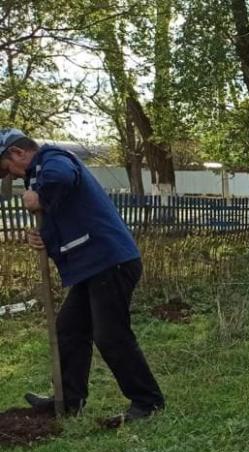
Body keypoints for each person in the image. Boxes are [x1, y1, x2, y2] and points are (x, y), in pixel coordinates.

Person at [0, 128, 165, 422]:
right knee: (69, 328)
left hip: (109, 260)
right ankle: (69, 400)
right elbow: (67, 215)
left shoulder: (53, 159)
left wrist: (40, 198)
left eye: (7, 169)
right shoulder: (39, 173)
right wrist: (42, 237)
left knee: (110, 334)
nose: (10, 176)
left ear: (17, 153)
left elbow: (61, 181)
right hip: (92, 264)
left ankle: (147, 402)